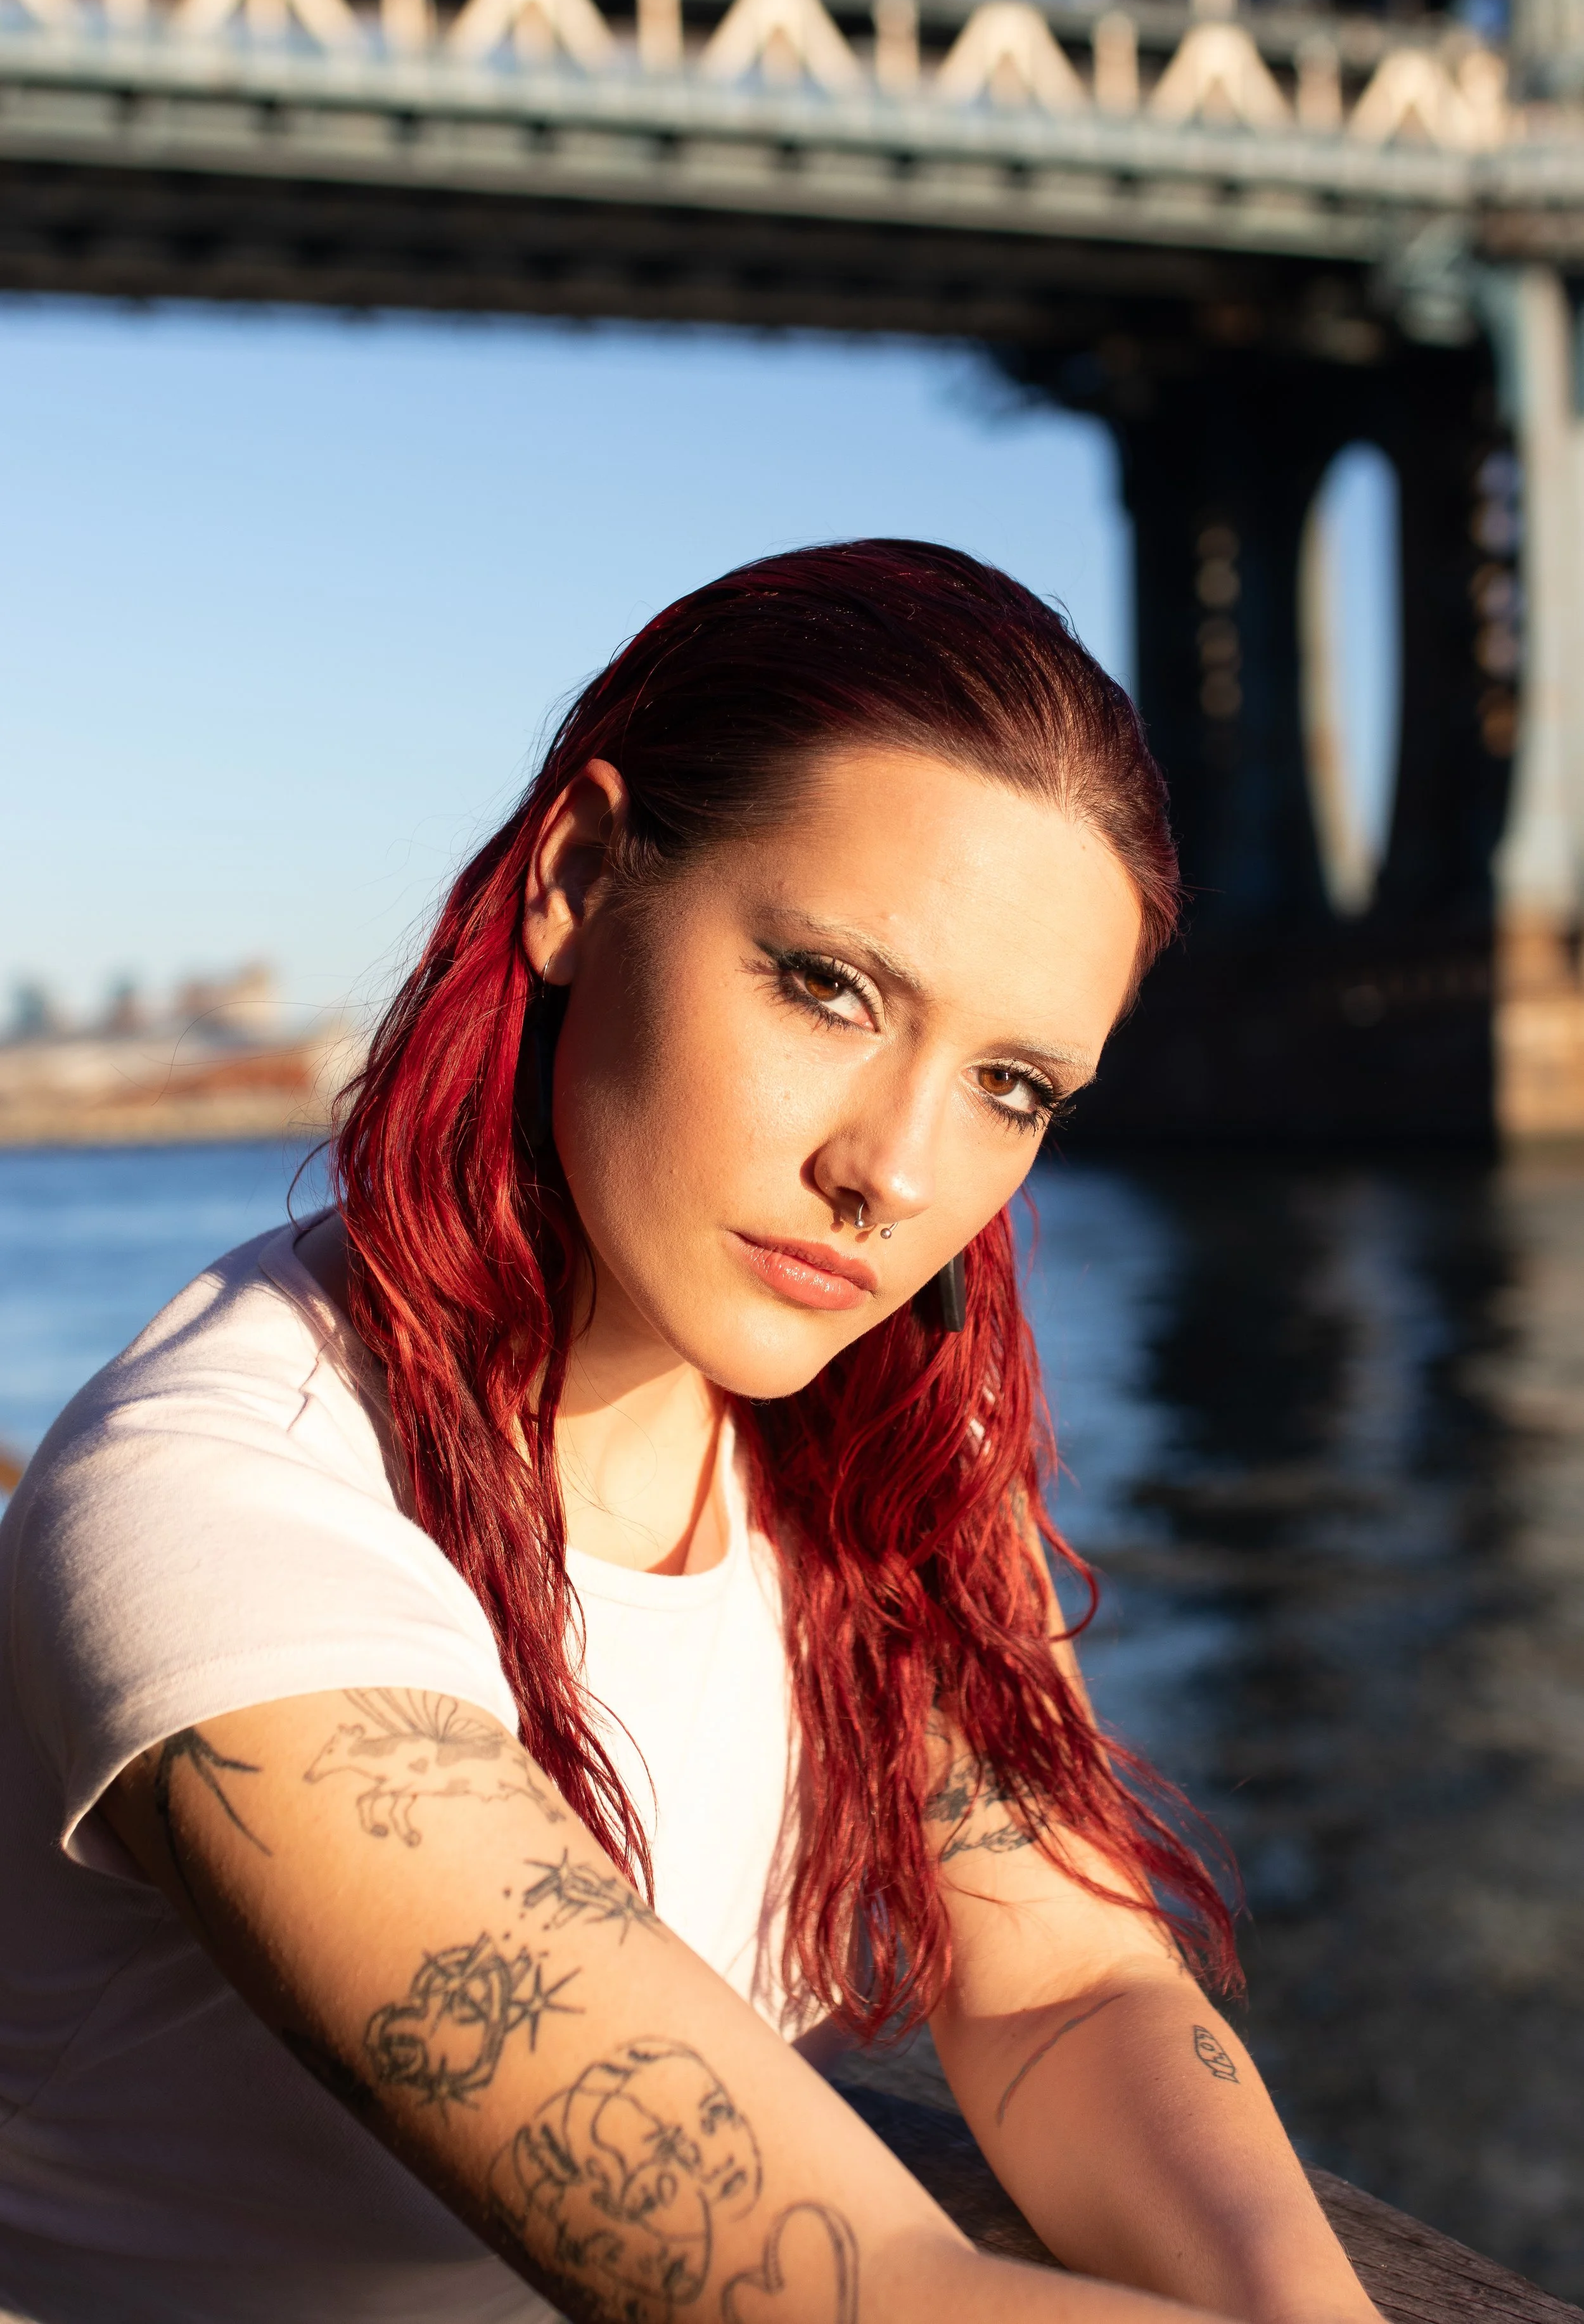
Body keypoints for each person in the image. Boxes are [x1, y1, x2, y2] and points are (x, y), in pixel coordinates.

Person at [0, 542, 1379, 2324]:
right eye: (827, 985)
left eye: (1009, 1085)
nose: (891, 1169)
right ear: (577, 876)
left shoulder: (884, 1449)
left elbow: (1063, 1985)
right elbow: (847, 2288)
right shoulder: (222, 1509)